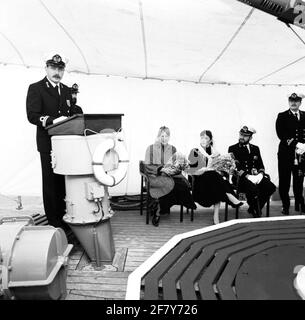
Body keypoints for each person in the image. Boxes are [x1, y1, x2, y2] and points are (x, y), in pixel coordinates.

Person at [26, 53, 83, 230]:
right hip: (48, 144)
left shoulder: (67, 90)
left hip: (65, 145)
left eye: (60, 69)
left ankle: (65, 218)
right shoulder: (36, 88)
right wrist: (51, 120)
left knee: (63, 182)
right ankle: (54, 223)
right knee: (50, 183)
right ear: (46, 69)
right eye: (53, 68)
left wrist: (78, 110)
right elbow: (32, 115)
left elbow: (73, 110)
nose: (57, 72)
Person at [144, 126, 196, 226]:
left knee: (180, 185)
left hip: (171, 176)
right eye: (162, 136)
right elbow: (147, 166)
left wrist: (178, 167)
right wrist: (160, 169)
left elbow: (176, 165)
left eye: (166, 136)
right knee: (167, 184)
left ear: (169, 137)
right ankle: (158, 212)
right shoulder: (150, 148)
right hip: (155, 176)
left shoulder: (173, 149)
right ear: (158, 136)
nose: (164, 138)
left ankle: (162, 207)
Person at [188, 130, 243, 224]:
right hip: (199, 180)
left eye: (206, 138)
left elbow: (221, 169)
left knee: (215, 178)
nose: (203, 140)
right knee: (214, 177)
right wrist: (204, 169)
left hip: (213, 181)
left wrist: (224, 164)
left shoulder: (215, 152)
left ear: (210, 140)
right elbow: (191, 171)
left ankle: (216, 215)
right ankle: (229, 195)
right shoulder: (195, 151)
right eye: (202, 137)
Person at [228, 126, 276, 217]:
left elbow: (260, 165)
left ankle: (254, 207)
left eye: (245, 136)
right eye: (241, 134)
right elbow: (235, 167)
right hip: (241, 178)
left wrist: (260, 175)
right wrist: (248, 176)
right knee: (253, 189)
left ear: (250, 137)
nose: (242, 137)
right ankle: (256, 210)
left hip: (255, 176)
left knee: (270, 187)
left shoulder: (255, 148)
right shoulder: (233, 148)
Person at [276, 93, 305, 215]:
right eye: (291, 100)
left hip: (302, 154)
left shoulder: (304, 115)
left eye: (296, 100)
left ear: (300, 102)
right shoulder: (282, 116)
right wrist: (296, 144)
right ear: (288, 101)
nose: (294, 103)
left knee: (299, 181)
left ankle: (300, 204)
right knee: (285, 181)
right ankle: (286, 205)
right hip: (286, 155)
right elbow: (281, 134)